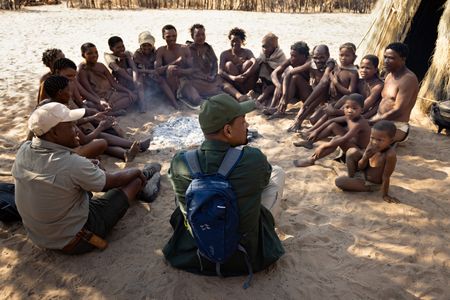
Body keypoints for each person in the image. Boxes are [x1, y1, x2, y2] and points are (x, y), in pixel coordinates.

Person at [12, 102, 161, 254]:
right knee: (132, 180)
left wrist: (86, 166)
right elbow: (112, 182)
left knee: (86, 182)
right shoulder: (71, 164)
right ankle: (145, 180)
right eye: (70, 126)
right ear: (53, 133)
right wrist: (136, 171)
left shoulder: (24, 150)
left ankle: (142, 179)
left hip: (39, 235)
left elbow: (57, 168)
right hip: (76, 238)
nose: (76, 130)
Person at [163, 93, 285, 276]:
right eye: (243, 121)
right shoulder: (253, 158)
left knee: (183, 188)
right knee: (277, 172)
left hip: (199, 248)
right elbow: (263, 180)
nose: (247, 126)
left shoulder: (180, 161)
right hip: (245, 254)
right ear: (228, 131)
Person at [300, 54, 383, 138]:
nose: (364, 70)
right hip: (352, 110)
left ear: (376, 70)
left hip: (361, 115)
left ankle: (313, 133)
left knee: (332, 117)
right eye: (362, 67)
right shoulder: (361, 82)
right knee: (344, 99)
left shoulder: (377, 86)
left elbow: (363, 108)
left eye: (367, 68)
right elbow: (349, 98)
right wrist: (333, 85)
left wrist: (335, 111)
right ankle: (312, 131)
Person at [288, 43, 359, 131]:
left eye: (347, 55)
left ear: (354, 57)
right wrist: (332, 83)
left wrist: (335, 83)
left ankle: (305, 120)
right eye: (341, 55)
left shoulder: (352, 72)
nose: (343, 58)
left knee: (323, 89)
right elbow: (331, 74)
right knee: (313, 119)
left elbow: (349, 93)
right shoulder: (338, 68)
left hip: (339, 103)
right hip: (328, 100)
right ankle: (300, 114)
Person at [293, 93, 370, 167]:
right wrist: (316, 131)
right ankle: (309, 142)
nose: (349, 110)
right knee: (333, 125)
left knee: (337, 139)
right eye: (347, 107)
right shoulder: (349, 117)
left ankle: (311, 159)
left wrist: (324, 145)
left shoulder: (359, 123)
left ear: (362, 110)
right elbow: (331, 121)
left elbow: (344, 139)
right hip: (352, 143)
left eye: (354, 108)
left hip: (359, 152)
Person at [335, 120, 400, 203]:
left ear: (391, 141)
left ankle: (356, 183)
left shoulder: (390, 155)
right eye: (372, 138)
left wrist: (385, 195)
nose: (375, 142)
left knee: (339, 182)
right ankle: (352, 177)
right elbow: (361, 166)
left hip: (371, 183)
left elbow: (386, 177)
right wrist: (365, 157)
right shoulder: (371, 145)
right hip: (363, 173)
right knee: (351, 151)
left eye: (380, 140)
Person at [369, 42, 419, 143]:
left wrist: (374, 120)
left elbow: (398, 110)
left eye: (391, 58)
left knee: (366, 140)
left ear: (403, 59)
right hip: (379, 120)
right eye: (385, 57)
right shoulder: (389, 75)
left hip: (396, 126)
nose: (386, 61)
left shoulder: (408, 79)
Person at [266, 44, 330, 118]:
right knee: (287, 76)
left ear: (303, 56)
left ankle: (279, 108)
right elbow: (276, 73)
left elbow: (323, 86)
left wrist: (304, 107)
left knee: (295, 77)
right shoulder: (310, 63)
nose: (292, 58)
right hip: (307, 93)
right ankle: (276, 107)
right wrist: (280, 89)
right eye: (291, 55)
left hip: (318, 98)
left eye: (294, 56)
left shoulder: (319, 64)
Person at [78, 42, 136, 112]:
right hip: (97, 98)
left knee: (134, 95)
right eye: (90, 53)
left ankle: (111, 110)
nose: (94, 55)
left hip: (111, 94)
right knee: (90, 105)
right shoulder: (82, 70)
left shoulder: (101, 66)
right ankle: (111, 110)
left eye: (96, 52)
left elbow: (114, 84)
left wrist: (128, 91)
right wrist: (100, 101)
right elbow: (89, 90)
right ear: (83, 55)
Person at [155, 24, 201, 109]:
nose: (172, 39)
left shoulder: (184, 48)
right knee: (171, 69)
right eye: (168, 36)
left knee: (196, 100)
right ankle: (173, 98)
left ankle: (179, 95)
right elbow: (157, 70)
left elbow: (192, 69)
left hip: (183, 81)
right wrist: (175, 62)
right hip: (169, 82)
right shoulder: (161, 50)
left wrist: (181, 71)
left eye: (174, 36)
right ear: (163, 37)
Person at [133, 31, 179, 109]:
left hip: (154, 74)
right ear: (140, 45)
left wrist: (154, 72)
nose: (147, 48)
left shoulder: (156, 52)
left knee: (161, 80)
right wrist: (149, 71)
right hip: (143, 74)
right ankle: (142, 105)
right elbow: (136, 69)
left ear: (153, 44)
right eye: (144, 45)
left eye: (149, 45)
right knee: (139, 82)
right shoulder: (137, 54)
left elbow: (158, 66)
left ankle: (173, 102)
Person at [104, 36, 144, 112]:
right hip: (119, 83)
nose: (121, 49)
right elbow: (119, 71)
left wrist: (135, 80)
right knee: (128, 71)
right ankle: (137, 98)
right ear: (111, 49)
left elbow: (134, 68)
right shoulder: (109, 57)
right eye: (118, 47)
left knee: (138, 75)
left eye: (122, 46)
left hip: (131, 80)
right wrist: (133, 80)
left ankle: (142, 103)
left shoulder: (127, 54)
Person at [219, 28, 258, 101]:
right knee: (229, 64)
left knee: (248, 63)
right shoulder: (225, 54)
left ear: (242, 41)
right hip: (234, 83)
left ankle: (245, 92)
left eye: (237, 41)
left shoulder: (247, 52)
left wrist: (245, 74)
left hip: (246, 82)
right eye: (233, 41)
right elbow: (220, 71)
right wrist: (233, 77)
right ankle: (240, 94)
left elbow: (255, 63)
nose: (234, 43)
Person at [186, 24, 223, 99]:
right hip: (197, 79)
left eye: (203, 34)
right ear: (192, 37)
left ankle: (240, 96)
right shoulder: (188, 50)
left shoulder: (208, 48)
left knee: (223, 81)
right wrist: (203, 77)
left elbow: (215, 63)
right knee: (195, 84)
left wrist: (213, 75)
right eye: (198, 35)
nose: (201, 37)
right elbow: (190, 69)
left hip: (210, 77)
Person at [253, 32, 286, 106]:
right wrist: (264, 82)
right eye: (263, 46)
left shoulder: (280, 55)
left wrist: (267, 64)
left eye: (267, 47)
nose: (264, 49)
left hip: (277, 83)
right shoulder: (263, 56)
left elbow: (278, 73)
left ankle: (258, 101)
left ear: (274, 47)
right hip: (265, 81)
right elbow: (259, 69)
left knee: (268, 90)